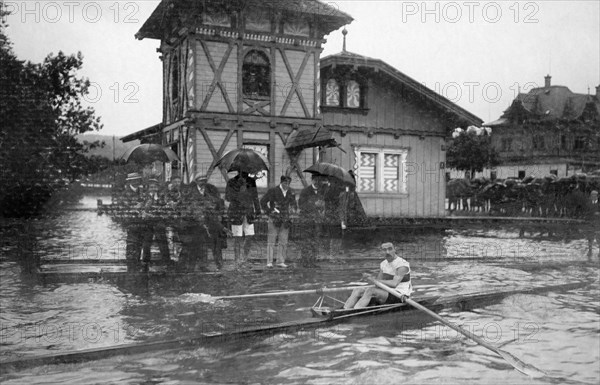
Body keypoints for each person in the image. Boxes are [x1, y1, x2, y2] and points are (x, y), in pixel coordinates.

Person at [344, 242, 413, 309]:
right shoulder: (383, 264)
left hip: (400, 296)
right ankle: (345, 309)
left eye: (390, 249)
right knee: (357, 290)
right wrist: (370, 277)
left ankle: (356, 311)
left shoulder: (402, 264)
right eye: (384, 250)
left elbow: (394, 283)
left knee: (370, 291)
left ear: (395, 249)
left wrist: (375, 280)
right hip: (387, 293)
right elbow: (377, 284)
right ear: (381, 252)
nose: (387, 252)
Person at [260, 175, 298, 268]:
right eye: (285, 183)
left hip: (285, 219)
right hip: (274, 218)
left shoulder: (291, 192)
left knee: (283, 241)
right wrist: (269, 212)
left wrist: (293, 209)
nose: (287, 185)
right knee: (271, 240)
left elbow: (294, 205)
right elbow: (263, 202)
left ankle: (280, 261)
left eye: (288, 183)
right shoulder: (273, 191)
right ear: (281, 182)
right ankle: (269, 261)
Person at [225, 171, 261, 266]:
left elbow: (255, 197)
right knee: (237, 237)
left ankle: (245, 258)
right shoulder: (232, 182)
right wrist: (239, 189)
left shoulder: (251, 182)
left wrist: (258, 210)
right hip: (236, 213)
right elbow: (227, 197)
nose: (245, 171)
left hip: (248, 212)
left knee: (249, 235)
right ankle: (237, 260)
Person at [195, 173, 230, 270]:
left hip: (213, 223)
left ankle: (219, 265)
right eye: (201, 181)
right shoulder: (193, 192)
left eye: (204, 181)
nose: (203, 183)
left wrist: (218, 214)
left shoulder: (211, 190)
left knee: (216, 245)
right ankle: (203, 265)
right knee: (202, 245)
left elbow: (219, 204)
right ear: (196, 181)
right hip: (199, 223)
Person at [114, 172, 147, 271]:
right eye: (134, 180)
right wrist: (134, 208)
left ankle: (136, 263)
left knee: (139, 244)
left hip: (141, 223)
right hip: (131, 223)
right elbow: (122, 209)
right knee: (132, 244)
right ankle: (131, 266)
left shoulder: (142, 192)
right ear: (130, 182)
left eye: (137, 180)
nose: (136, 182)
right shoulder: (125, 194)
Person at [298, 174, 327, 267]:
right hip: (307, 221)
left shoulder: (322, 192)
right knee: (306, 241)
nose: (317, 182)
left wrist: (322, 207)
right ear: (312, 180)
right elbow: (301, 205)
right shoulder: (305, 191)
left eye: (319, 180)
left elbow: (323, 205)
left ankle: (313, 261)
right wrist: (314, 204)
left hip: (317, 221)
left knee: (315, 241)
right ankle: (305, 262)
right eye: (316, 180)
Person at [141, 177, 171, 265]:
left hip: (159, 222)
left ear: (157, 188)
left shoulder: (162, 197)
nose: (153, 189)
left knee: (162, 241)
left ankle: (166, 261)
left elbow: (166, 208)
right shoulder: (144, 197)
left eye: (155, 187)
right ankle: (145, 261)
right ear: (148, 188)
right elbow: (141, 209)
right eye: (151, 187)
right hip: (148, 222)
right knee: (146, 241)